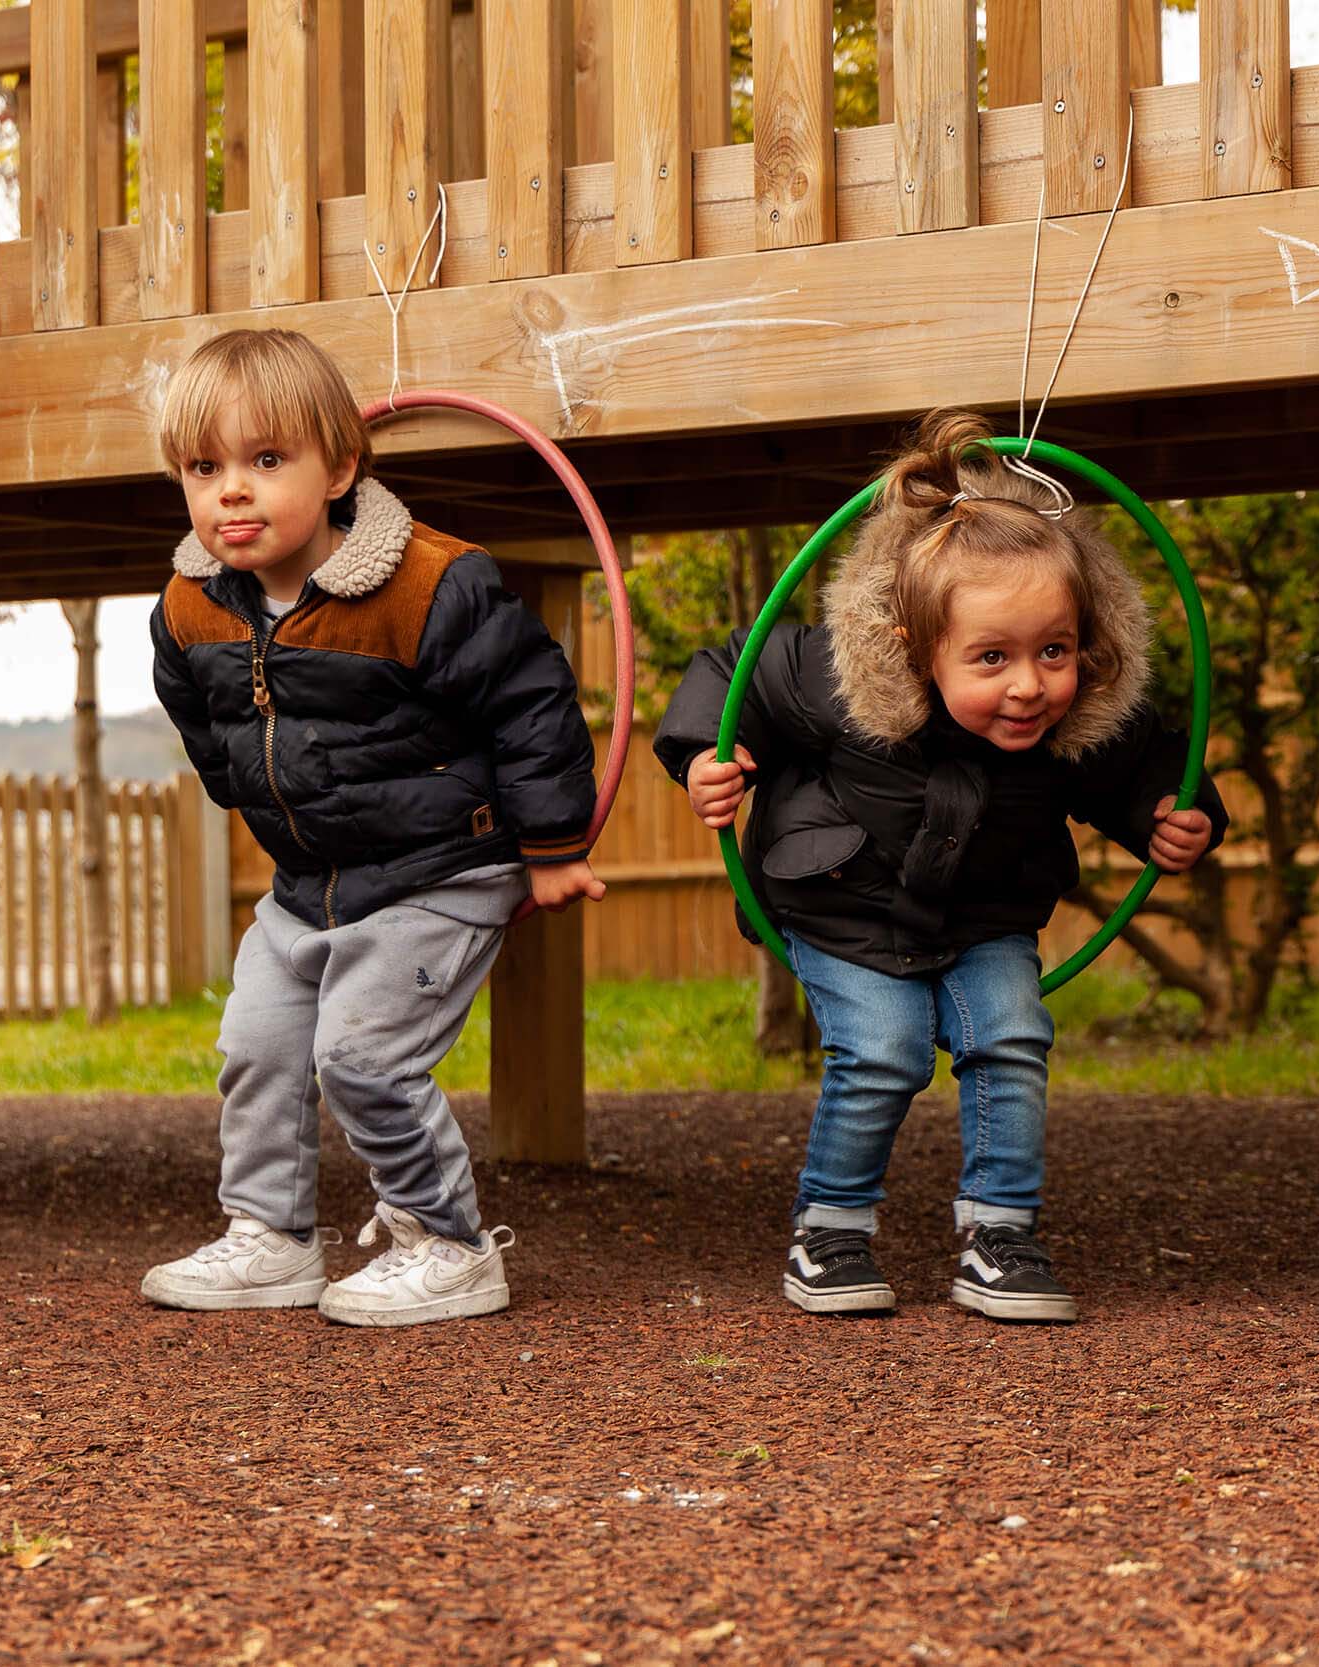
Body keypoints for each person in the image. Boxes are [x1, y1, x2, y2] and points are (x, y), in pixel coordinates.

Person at [654, 410, 1223, 1323]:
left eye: (1055, 652)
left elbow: (1148, 766)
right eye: (991, 658)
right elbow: (733, 672)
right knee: (882, 1050)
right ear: (920, 651)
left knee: (1012, 1035)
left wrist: (1177, 818)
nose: (1029, 685)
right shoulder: (833, 678)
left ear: (1086, 642)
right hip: (841, 903)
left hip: (984, 916)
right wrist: (701, 759)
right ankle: (829, 1229)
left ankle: (1001, 1234)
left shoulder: (1071, 726)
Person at [140, 328, 602, 1326]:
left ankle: (447, 1243)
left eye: (267, 461)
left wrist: (553, 847)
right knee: (257, 1043)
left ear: (341, 465)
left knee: (361, 1056)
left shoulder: (431, 585)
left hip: (440, 868)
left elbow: (534, 707)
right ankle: (269, 1236)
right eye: (203, 466)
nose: (232, 490)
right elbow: (200, 716)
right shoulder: (189, 607)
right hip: (311, 880)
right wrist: (251, 798)